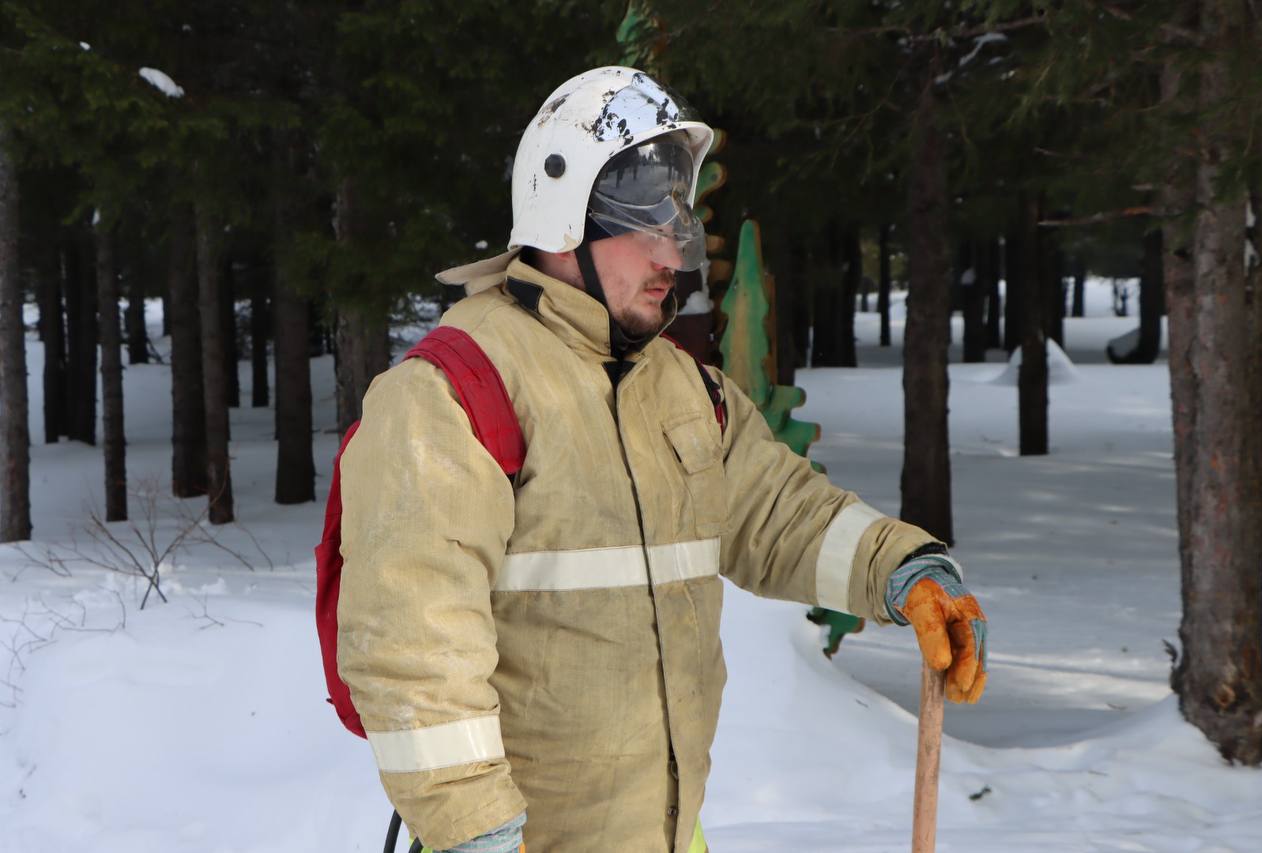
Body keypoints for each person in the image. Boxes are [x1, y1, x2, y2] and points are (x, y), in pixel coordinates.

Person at [338, 66, 988, 853]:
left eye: (674, 223)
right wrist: (473, 831)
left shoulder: (682, 390)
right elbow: (412, 643)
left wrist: (905, 571)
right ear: (564, 221)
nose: (669, 256)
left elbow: (781, 516)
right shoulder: (456, 391)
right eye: (643, 224)